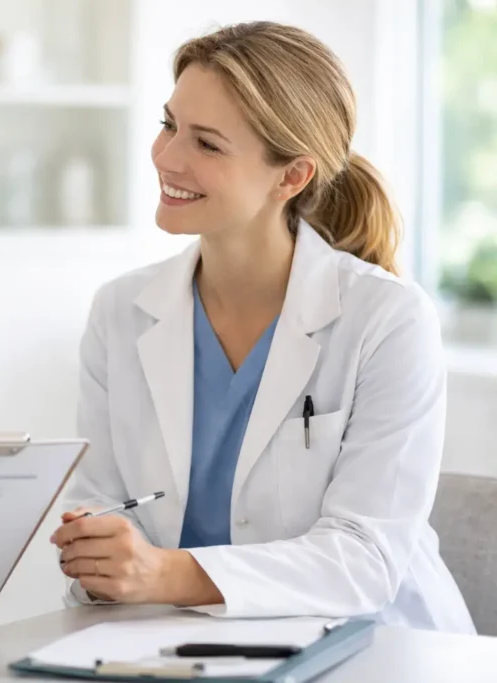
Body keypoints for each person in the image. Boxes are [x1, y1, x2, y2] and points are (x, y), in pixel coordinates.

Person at [50, 21, 475, 633]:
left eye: (207, 143)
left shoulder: (386, 319)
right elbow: (101, 510)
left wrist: (163, 572)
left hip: (377, 647)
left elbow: (364, 558)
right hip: (178, 642)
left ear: (291, 176)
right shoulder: (120, 310)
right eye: (169, 125)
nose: (166, 158)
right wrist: (100, 552)